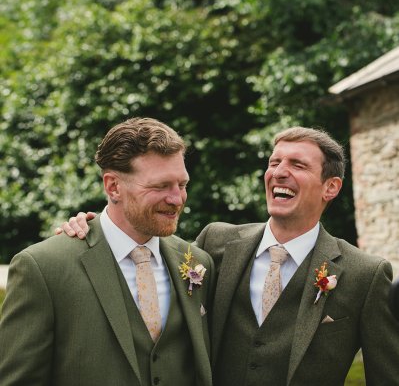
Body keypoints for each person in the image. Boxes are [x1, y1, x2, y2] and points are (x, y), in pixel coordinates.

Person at [57, 126, 399, 385]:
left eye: (298, 164)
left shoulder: (365, 274)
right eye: (274, 162)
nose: (279, 171)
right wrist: (94, 226)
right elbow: (143, 248)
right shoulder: (215, 244)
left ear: (331, 187)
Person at [0, 117, 214, 386]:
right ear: (113, 186)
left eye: (182, 185)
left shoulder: (197, 261)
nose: (176, 199)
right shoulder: (43, 267)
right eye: (160, 186)